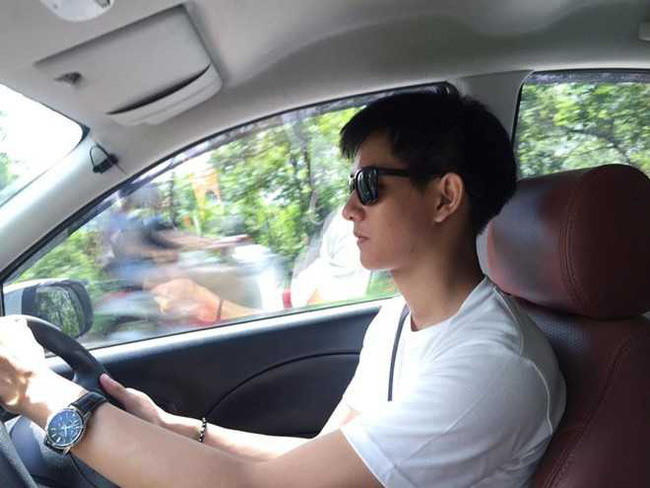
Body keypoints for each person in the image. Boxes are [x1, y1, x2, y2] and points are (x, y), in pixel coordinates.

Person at [0, 90, 566, 487]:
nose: (348, 209)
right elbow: (323, 455)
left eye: (370, 185)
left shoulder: (492, 368)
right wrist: (179, 429)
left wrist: (35, 392)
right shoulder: (397, 319)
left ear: (445, 197)